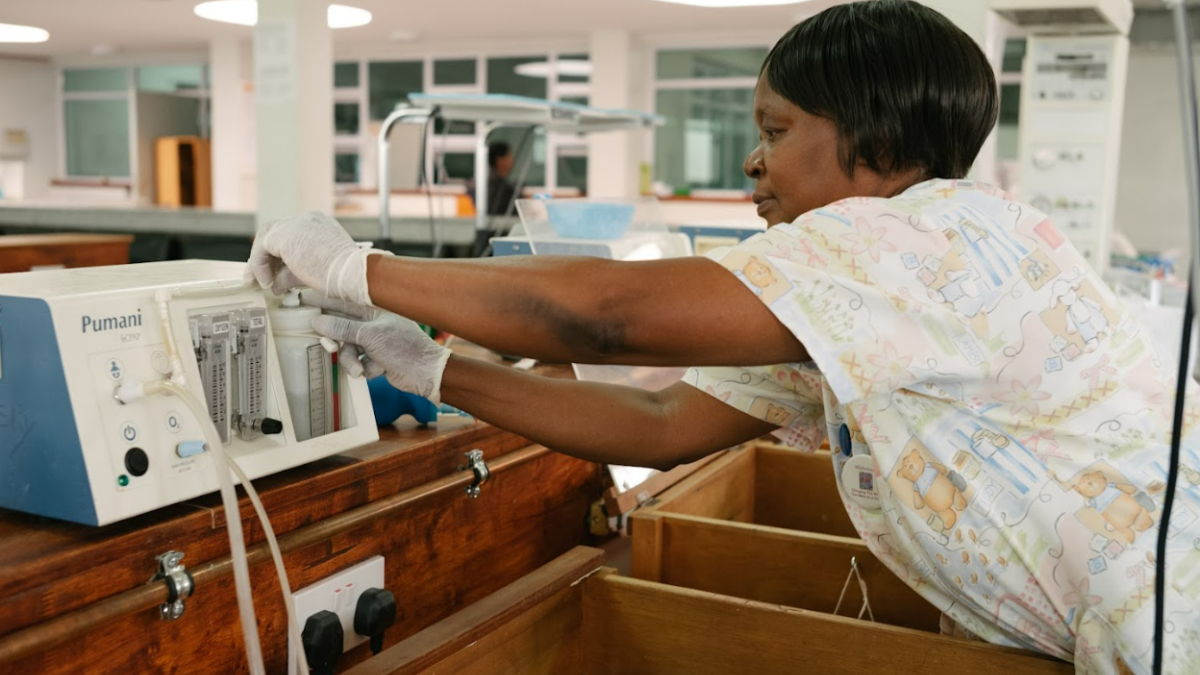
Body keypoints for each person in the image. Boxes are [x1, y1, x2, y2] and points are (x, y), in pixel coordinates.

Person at [246, 2, 1200, 673]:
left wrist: (358, 268)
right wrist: (440, 367)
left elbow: (604, 316)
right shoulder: (880, 292)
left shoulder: (919, 238)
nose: (752, 158)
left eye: (776, 130)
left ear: (876, 142)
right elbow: (662, 419)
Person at [466, 141, 517, 216]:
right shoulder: (500, 188)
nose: (512, 160)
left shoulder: (481, 182)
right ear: (500, 160)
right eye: (509, 156)